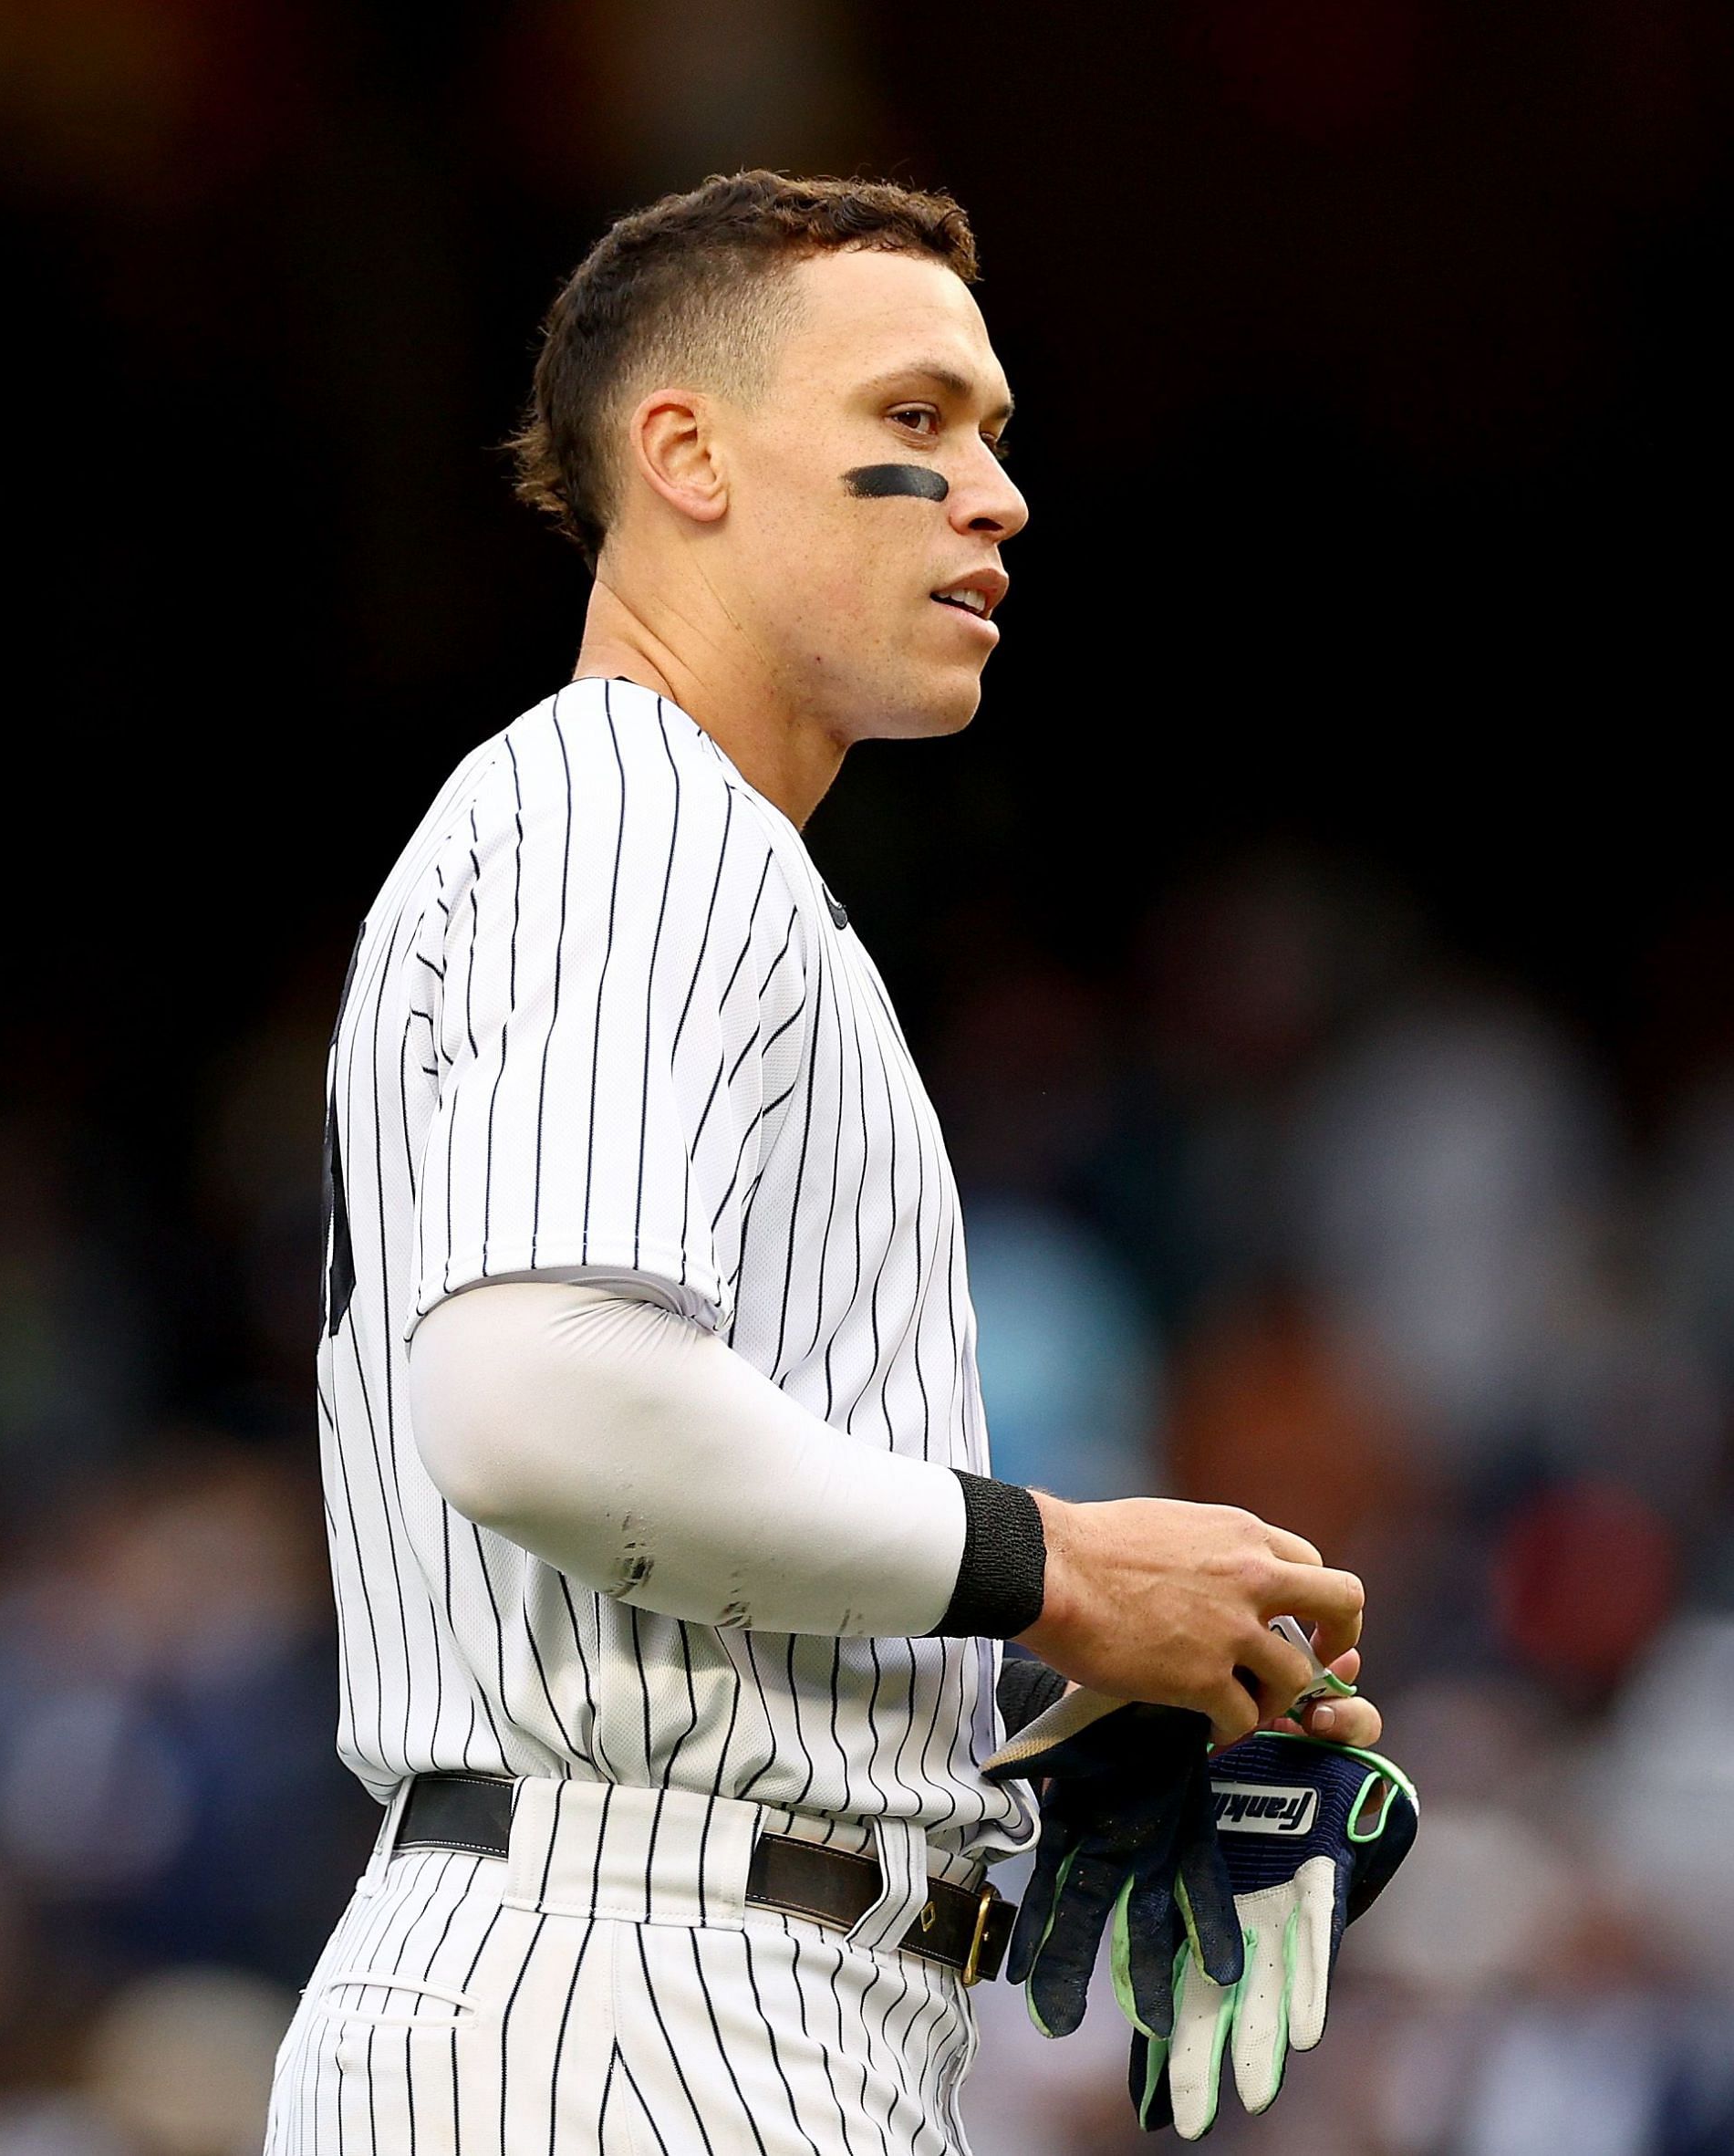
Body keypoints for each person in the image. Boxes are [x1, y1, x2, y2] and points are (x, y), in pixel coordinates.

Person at [263, 170, 1377, 2156]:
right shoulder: (629, 809)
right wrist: (1055, 1571)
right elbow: (540, 1407)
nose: (997, 494)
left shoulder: (689, 854)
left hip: (688, 1980)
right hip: (630, 1993)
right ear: (683, 454)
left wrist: (1021, 1727)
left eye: (996, 436)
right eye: (915, 424)